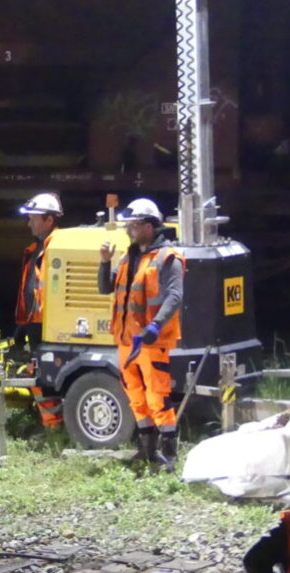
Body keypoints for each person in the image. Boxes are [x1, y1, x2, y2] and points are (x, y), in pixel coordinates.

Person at [99, 198, 184, 469]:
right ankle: (146, 450)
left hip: (151, 340)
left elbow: (175, 296)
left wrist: (155, 326)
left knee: (157, 396)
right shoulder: (129, 257)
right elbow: (105, 287)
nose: (128, 231)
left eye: (133, 226)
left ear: (148, 226)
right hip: (127, 341)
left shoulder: (167, 258)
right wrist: (104, 262)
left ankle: (169, 455)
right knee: (135, 395)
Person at [14, 192, 65, 428]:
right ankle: (49, 423)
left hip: (50, 325)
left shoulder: (60, 247)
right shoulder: (35, 249)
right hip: (36, 323)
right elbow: (30, 291)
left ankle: (54, 425)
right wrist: (22, 325)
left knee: (46, 375)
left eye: (33, 218)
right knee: (39, 373)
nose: (29, 223)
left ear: (49, 219)